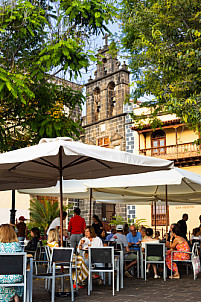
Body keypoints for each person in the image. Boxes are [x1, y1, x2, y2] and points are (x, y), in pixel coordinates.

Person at [0, 224, 23, 302]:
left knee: (3, 276)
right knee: (12, 275)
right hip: (16, 277)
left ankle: (7, 297)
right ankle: (15, 295)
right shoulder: (17, 245)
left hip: (1, 278)